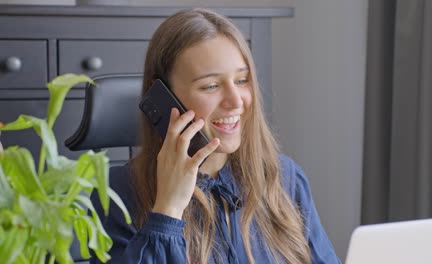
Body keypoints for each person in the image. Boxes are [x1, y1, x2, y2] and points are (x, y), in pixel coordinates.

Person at [91, 8, 341, 264]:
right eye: (211, 86)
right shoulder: (118, 193)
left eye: (242, 80)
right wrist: (168, 210)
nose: (236, 101)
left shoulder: (286, 179)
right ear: (163, 96)